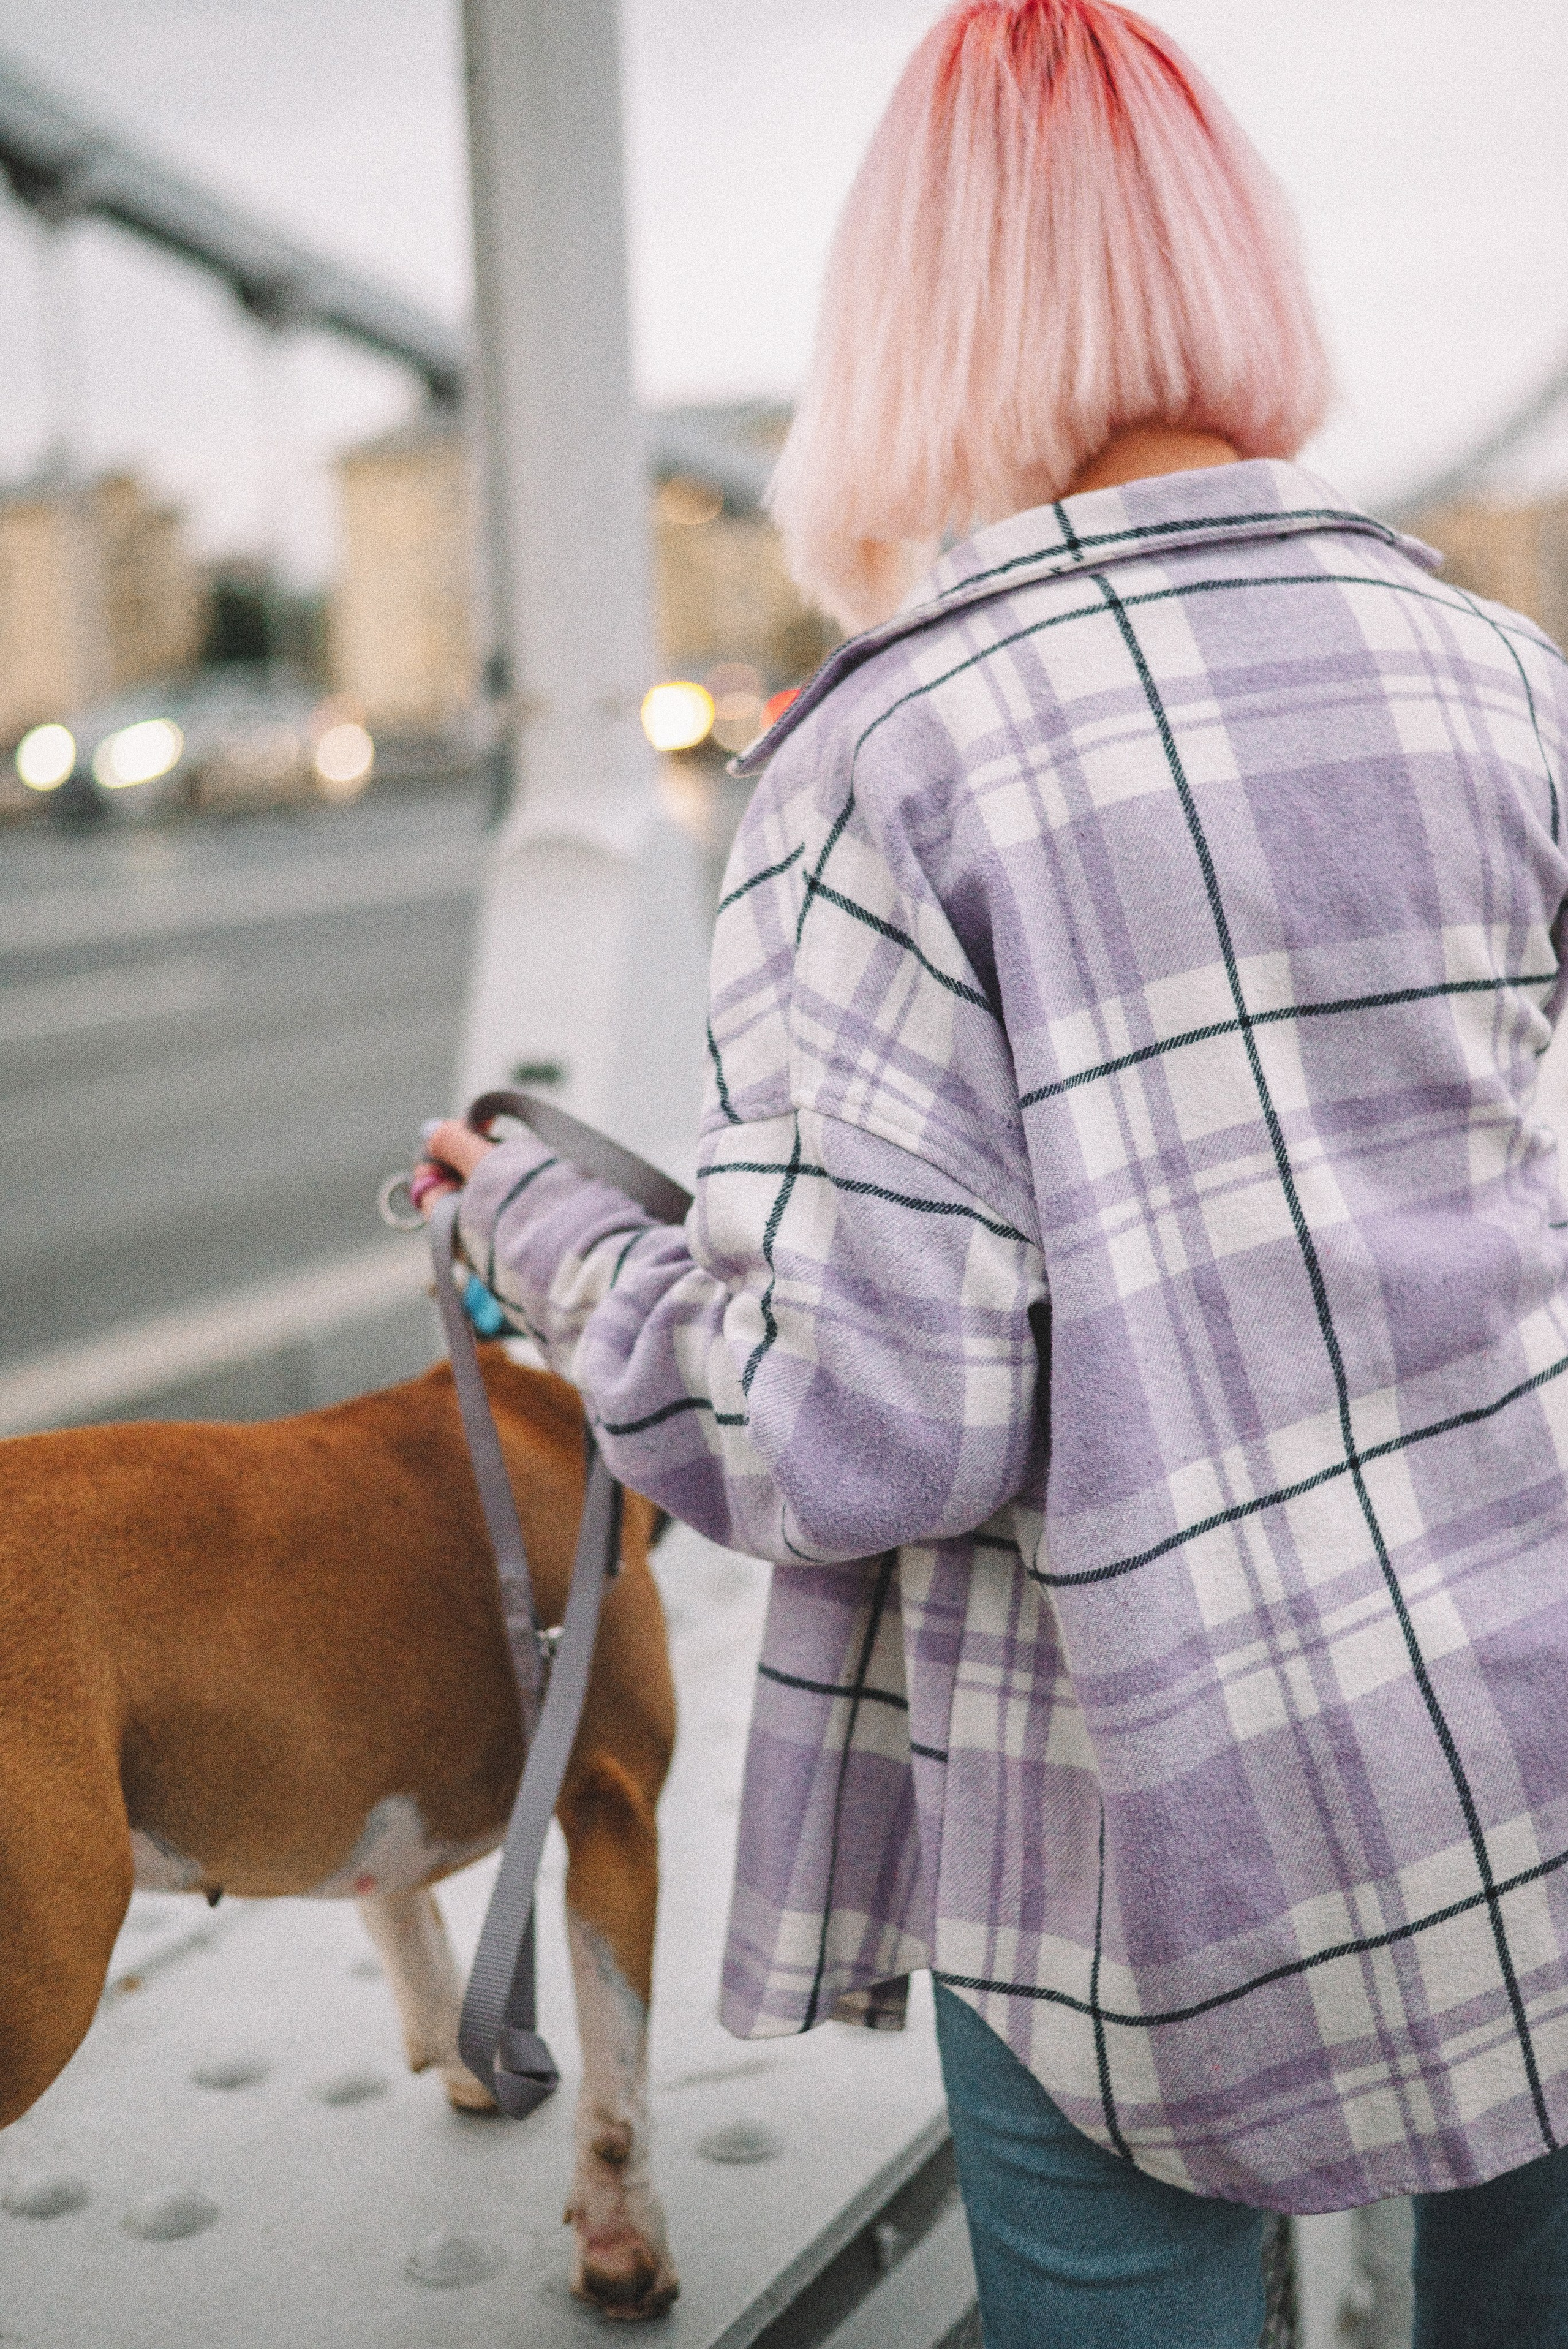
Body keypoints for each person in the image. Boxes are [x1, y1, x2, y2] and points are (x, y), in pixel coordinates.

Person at [417, 4, 1568, 2341]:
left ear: (913, 319)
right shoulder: (1504, 678)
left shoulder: (892, 757)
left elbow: (856, 1424)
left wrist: (544, 1231)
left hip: (1155, 1850)